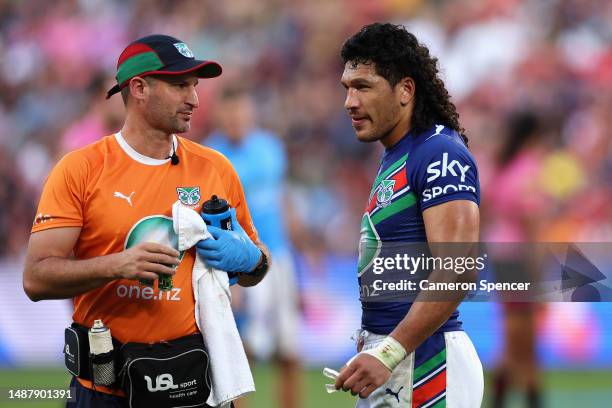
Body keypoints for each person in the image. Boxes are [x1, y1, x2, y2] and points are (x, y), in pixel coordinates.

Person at [23, 34, 270, 408]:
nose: (195, 98)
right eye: (179, 85)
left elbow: (257, 267)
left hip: (193, 388)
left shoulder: (216, 168)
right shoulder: (80, 169)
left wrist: (252, 259)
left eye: (195, 86)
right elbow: (35, 278)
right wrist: (117, 265)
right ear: (139, 88)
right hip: (104, 389)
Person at [334, 23, 484, 407]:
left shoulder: (438, 154)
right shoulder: (398, 153)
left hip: (427, 362)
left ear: (405, 90)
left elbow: (458, 268)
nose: (350, 101)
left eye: (363, 86)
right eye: (347, 88)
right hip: (398, 357)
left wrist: (388, 351)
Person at [204, 86, 301, 408]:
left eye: (241, 111)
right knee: (241, 351)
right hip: (241, 262)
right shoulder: (211, 157)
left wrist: (300, 256)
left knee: (289, 351)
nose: (236, 119)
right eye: (229, 112)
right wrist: (230, 275)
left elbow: (281, 200)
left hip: (280, 258)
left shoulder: (271, 148)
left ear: (251, 113)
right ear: (219, 115)